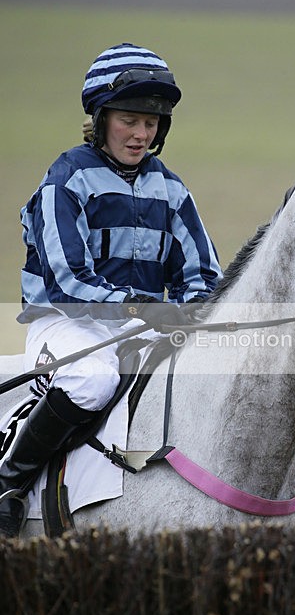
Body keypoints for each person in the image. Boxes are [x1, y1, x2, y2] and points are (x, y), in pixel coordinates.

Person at [0, 42, 222, 538]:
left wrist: (190, 314)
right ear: (100, 118)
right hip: (66, 323)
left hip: (141, 326)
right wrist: (143, 309)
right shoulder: (66, 180)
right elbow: (67, 282)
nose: (142, 134)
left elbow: (203, 275)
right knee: (91, 381)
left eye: (153, 123)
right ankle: (9, 483)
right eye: (130, 120)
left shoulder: (171, 189)